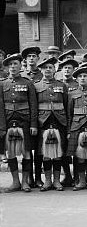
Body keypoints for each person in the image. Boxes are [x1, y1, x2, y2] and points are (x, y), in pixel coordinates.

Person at [34, 57, 69, 192]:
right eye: (45, 68)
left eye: (50, 67)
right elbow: (34, 106)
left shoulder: (62, 85)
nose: (48, 70)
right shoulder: (36, 86)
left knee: (58, 152)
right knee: (45, 153)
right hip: (43, 122)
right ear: (41, 70)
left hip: (59, 121)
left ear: (55, 70)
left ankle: (57, 181)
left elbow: (66, 106)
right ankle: (47, 181)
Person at [2, 54, 33, 192]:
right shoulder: (2, 83)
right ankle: (15, 182)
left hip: (24, 121)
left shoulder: (27, 83)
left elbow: (33, 105)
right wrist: (2, 126)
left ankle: (25, 182)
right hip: (9, 121)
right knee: (11, 153)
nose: (12, 67)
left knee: (26, 152)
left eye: (15, 64)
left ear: (21, 66)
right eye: (10, 65)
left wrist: (33, 124)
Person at [21, 46, 44, 187]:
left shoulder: (43, 75)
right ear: (25, 59)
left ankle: (38, 178)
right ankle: (28, 177)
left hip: (41, 115)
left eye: (34, 56)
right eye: (29, 56)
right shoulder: (22, 76)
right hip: (26, 116)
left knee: (39, 149)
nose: (31, 58)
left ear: (38, 58)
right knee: (28, 148)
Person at [56, 55, 80, 187]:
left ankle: (77, 176)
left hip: (74, 120)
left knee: (76, 149)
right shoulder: (58, 84)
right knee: (63, 150)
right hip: (60, 120)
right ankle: (67, 176)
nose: (67, 70)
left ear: (73, 70)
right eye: (64, 68)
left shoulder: (77, 85)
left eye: (69, 68)